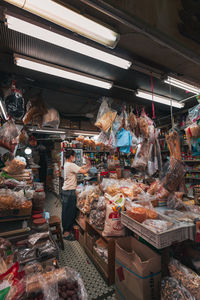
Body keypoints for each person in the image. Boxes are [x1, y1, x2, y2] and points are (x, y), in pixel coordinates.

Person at [62, 150, 90, 240]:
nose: (75, 158)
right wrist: (89, 167)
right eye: (74, 156)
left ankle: (66, 229)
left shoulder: (66, 164)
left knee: (65, 211)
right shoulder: (71, 165)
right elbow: (83, 171)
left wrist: (84, 166)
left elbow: (77, 168)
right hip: (70, 191)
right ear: (71, 157)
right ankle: (66, 232)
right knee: (70, 212)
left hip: (66, 190)